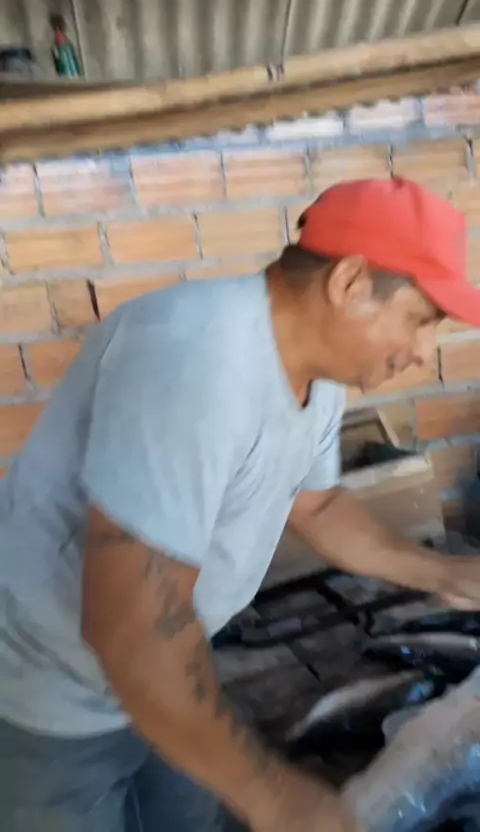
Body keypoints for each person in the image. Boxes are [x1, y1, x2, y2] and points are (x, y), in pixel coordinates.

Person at [1, 176, 480, 832]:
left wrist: (445, 573)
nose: (425, 352)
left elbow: (317, 506)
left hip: (164, 679)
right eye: (421, 320)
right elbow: (133, 632)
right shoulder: (194, 358)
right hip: (47, 701)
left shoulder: (318, 375)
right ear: (350, 281)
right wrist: (278, 799)